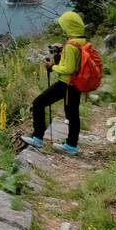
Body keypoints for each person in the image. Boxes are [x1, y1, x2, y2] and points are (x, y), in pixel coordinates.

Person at [22, 10, 88, 154]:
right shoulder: (82, 41)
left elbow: (69, 68)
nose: (62, 29)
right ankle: (71, 145)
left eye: (64, 25)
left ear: (69, 26)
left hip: (66, 84)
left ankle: (38, 138)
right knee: (72, 114)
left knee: (38, 103)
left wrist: (52, 66)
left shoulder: (71, 46)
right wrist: (60, 53)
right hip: (76, 85)